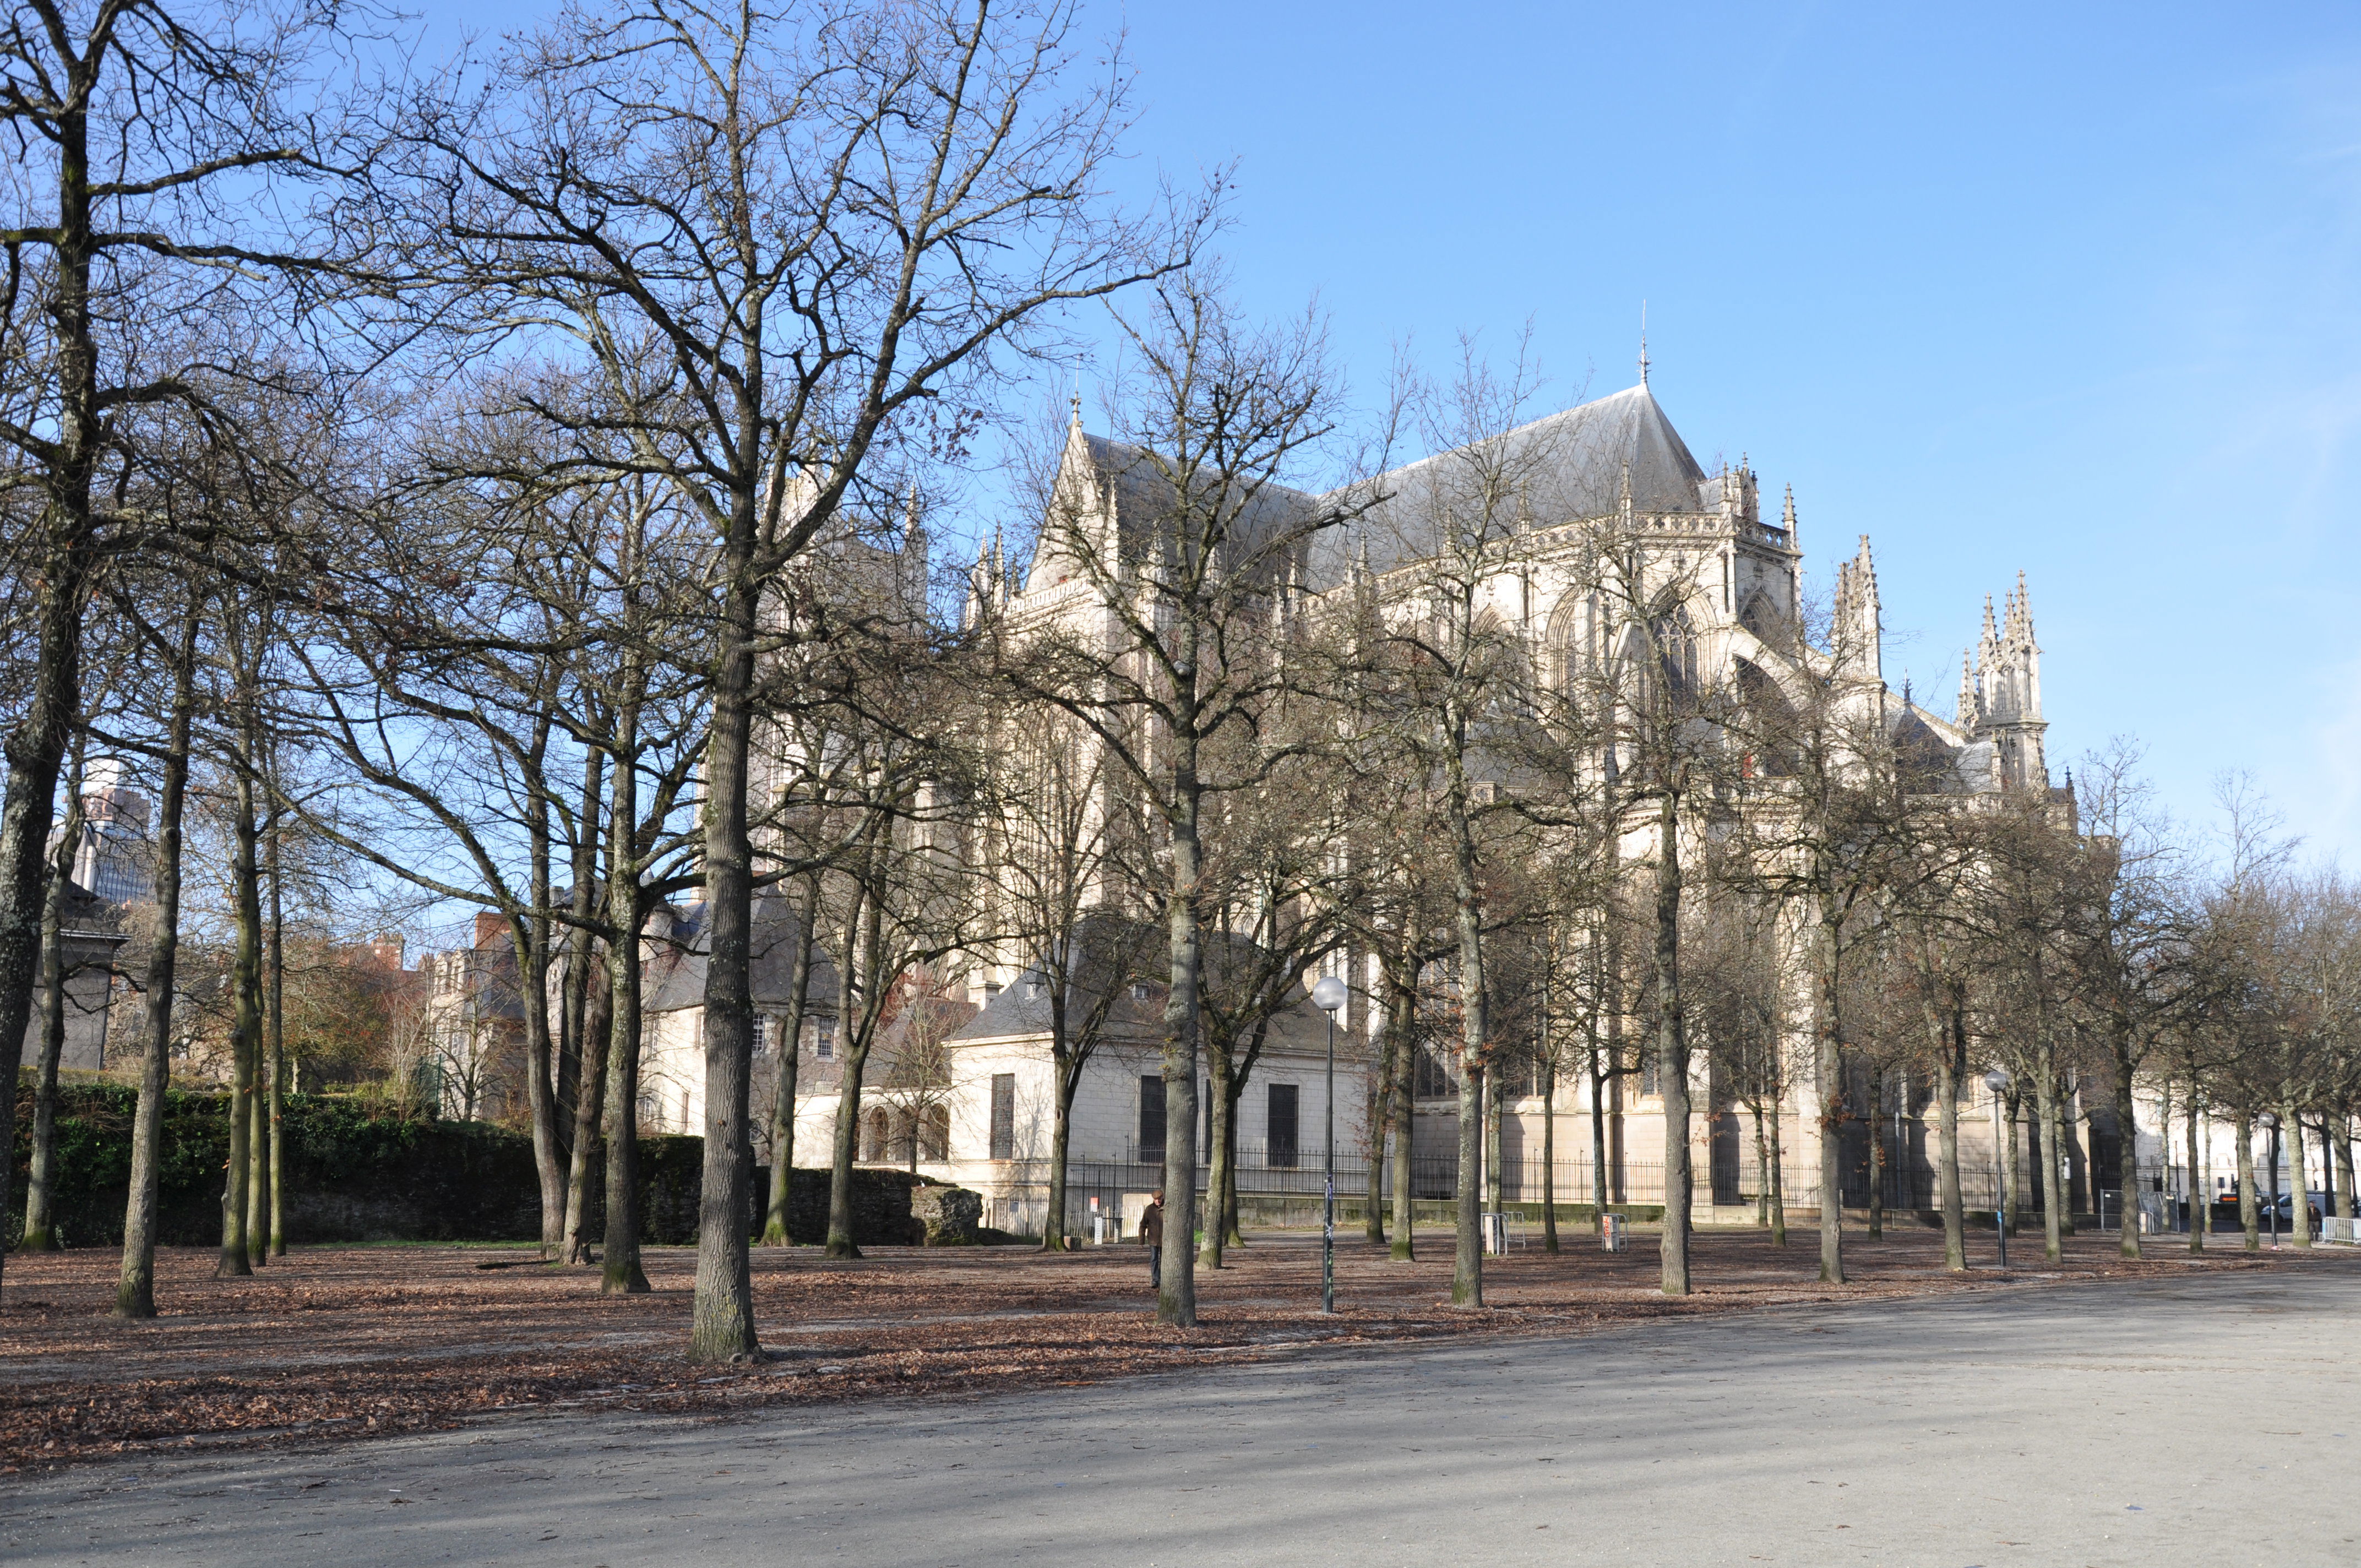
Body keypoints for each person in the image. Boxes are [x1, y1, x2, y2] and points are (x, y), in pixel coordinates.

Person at [1141, 1189, 1165, 1292]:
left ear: (1162, 1198)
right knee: (1154, 1260)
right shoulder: (1149, 1210)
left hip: (1165, 1240)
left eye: (1159, 1199)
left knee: (1164, 1261)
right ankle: (1155, 1280)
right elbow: (1143, 1225)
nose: (1158, 1201)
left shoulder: (1167, 1208)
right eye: (1156, 1200)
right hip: (1153, 1240)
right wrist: (1141, 1240)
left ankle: (1163, 1279)